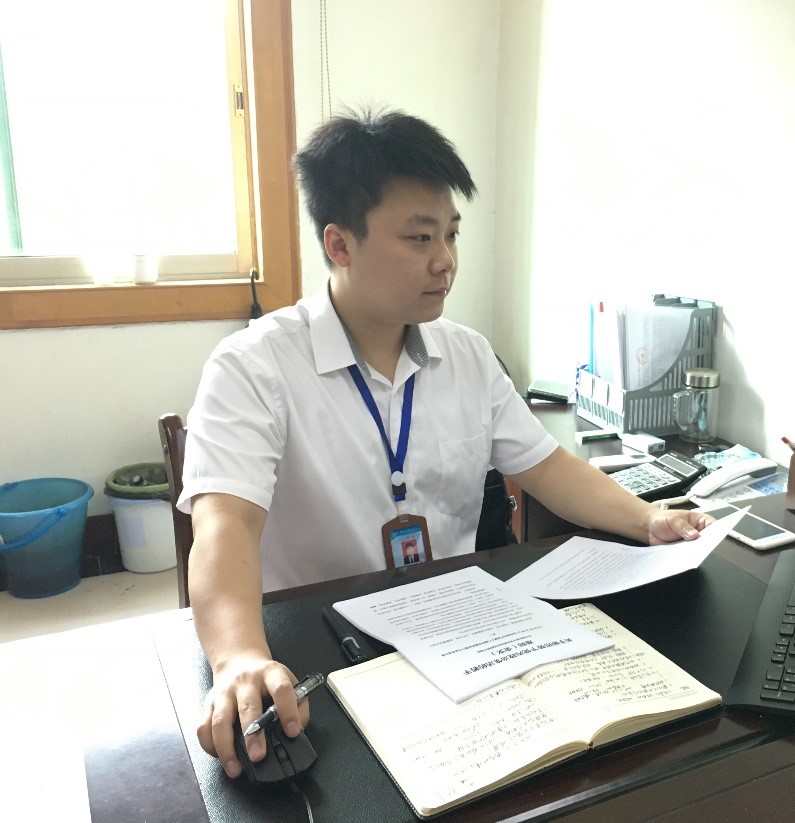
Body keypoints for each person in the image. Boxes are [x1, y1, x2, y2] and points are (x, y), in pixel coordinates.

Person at [179, 109, 715, 779]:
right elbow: (224, 523)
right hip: (316, 643)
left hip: (458, 632)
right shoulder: (253, 366)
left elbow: (546, 466)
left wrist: (646, 518)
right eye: (419, 237)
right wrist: (237, 657)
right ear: (339, 244)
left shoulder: (467, 355)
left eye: (452, 233)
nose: (446, 260)